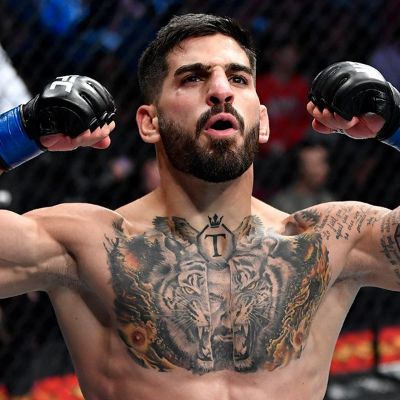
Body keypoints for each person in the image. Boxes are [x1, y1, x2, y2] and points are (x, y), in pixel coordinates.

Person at [0, 13, 398, 400]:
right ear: (149, 122)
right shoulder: (90, 244)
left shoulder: (328, 241)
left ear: (262, 121)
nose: (221, 90)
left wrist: (396, 121)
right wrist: (21, 130)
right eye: (192, 78)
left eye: (238, 78)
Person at [270, 139, 335, 213]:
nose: (325, 169)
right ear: (300, 168)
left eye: (324, 162)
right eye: (316, 165)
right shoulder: (282, 203)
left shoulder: (329, 201)